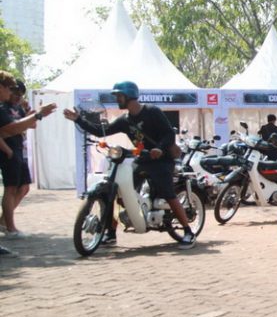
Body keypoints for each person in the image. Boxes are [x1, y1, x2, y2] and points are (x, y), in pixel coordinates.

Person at [63, 81, 196, 247]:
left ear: (129, 95)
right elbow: (101, 131)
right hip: (143, 159)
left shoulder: (152, 111)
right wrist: (78, 120)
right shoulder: (125, 120)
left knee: (167, 193)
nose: (117, 99)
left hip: (161, 160)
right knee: (117, 190)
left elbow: (169, 134)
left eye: (119, 96)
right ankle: (110, 233)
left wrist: (160, 149)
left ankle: (188, 232)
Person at [0, 72, 57, 243]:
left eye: (19, 93)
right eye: (11, 90)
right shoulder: (2, 107)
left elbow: (27, 126)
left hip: (19, 149)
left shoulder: (16, 107)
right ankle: (10, 227)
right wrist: (37, 114)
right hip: (9, 151)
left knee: (24, 187)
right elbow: (9, 130)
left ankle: (4, 221)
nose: (15, 95)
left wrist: (32, 114)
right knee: (11, 188)